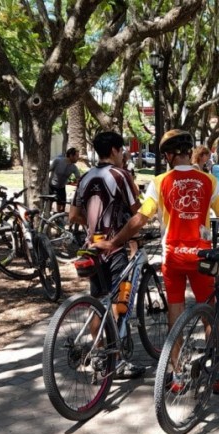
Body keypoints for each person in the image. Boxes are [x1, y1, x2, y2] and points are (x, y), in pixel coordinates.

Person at [92, 129, 219, 394]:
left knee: (175, 313)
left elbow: (140, 219)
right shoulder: (208, 180)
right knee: (211, 312)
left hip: (172, 257)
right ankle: (217, 373)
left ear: (169, 155)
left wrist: (114, 242)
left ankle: (178, 375)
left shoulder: (160, 181)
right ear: (188, 152)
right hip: (202, 258)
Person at [68, 131, 144, 379]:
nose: (123, 155)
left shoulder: (85, 177)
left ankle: (100, 356)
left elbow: (73, 215)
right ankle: (118, 361)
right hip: (115, 247)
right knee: (118, 303)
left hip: (92, 247)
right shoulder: (120, 175)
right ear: (113, 150)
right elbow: (138, 213)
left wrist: (93, 229)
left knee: (98, 302)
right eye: (121, 150)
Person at [48, 147, 81, 213]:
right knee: (48, 205)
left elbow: (79, 178)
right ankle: (47, 219)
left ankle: (59, 220)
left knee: (62, 207)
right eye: (76, 156)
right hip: (51, 186)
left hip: (61, 188)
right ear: (71, 155)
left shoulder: (74, 167)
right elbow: (48, 170)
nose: (78, 158)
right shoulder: (57, 161)